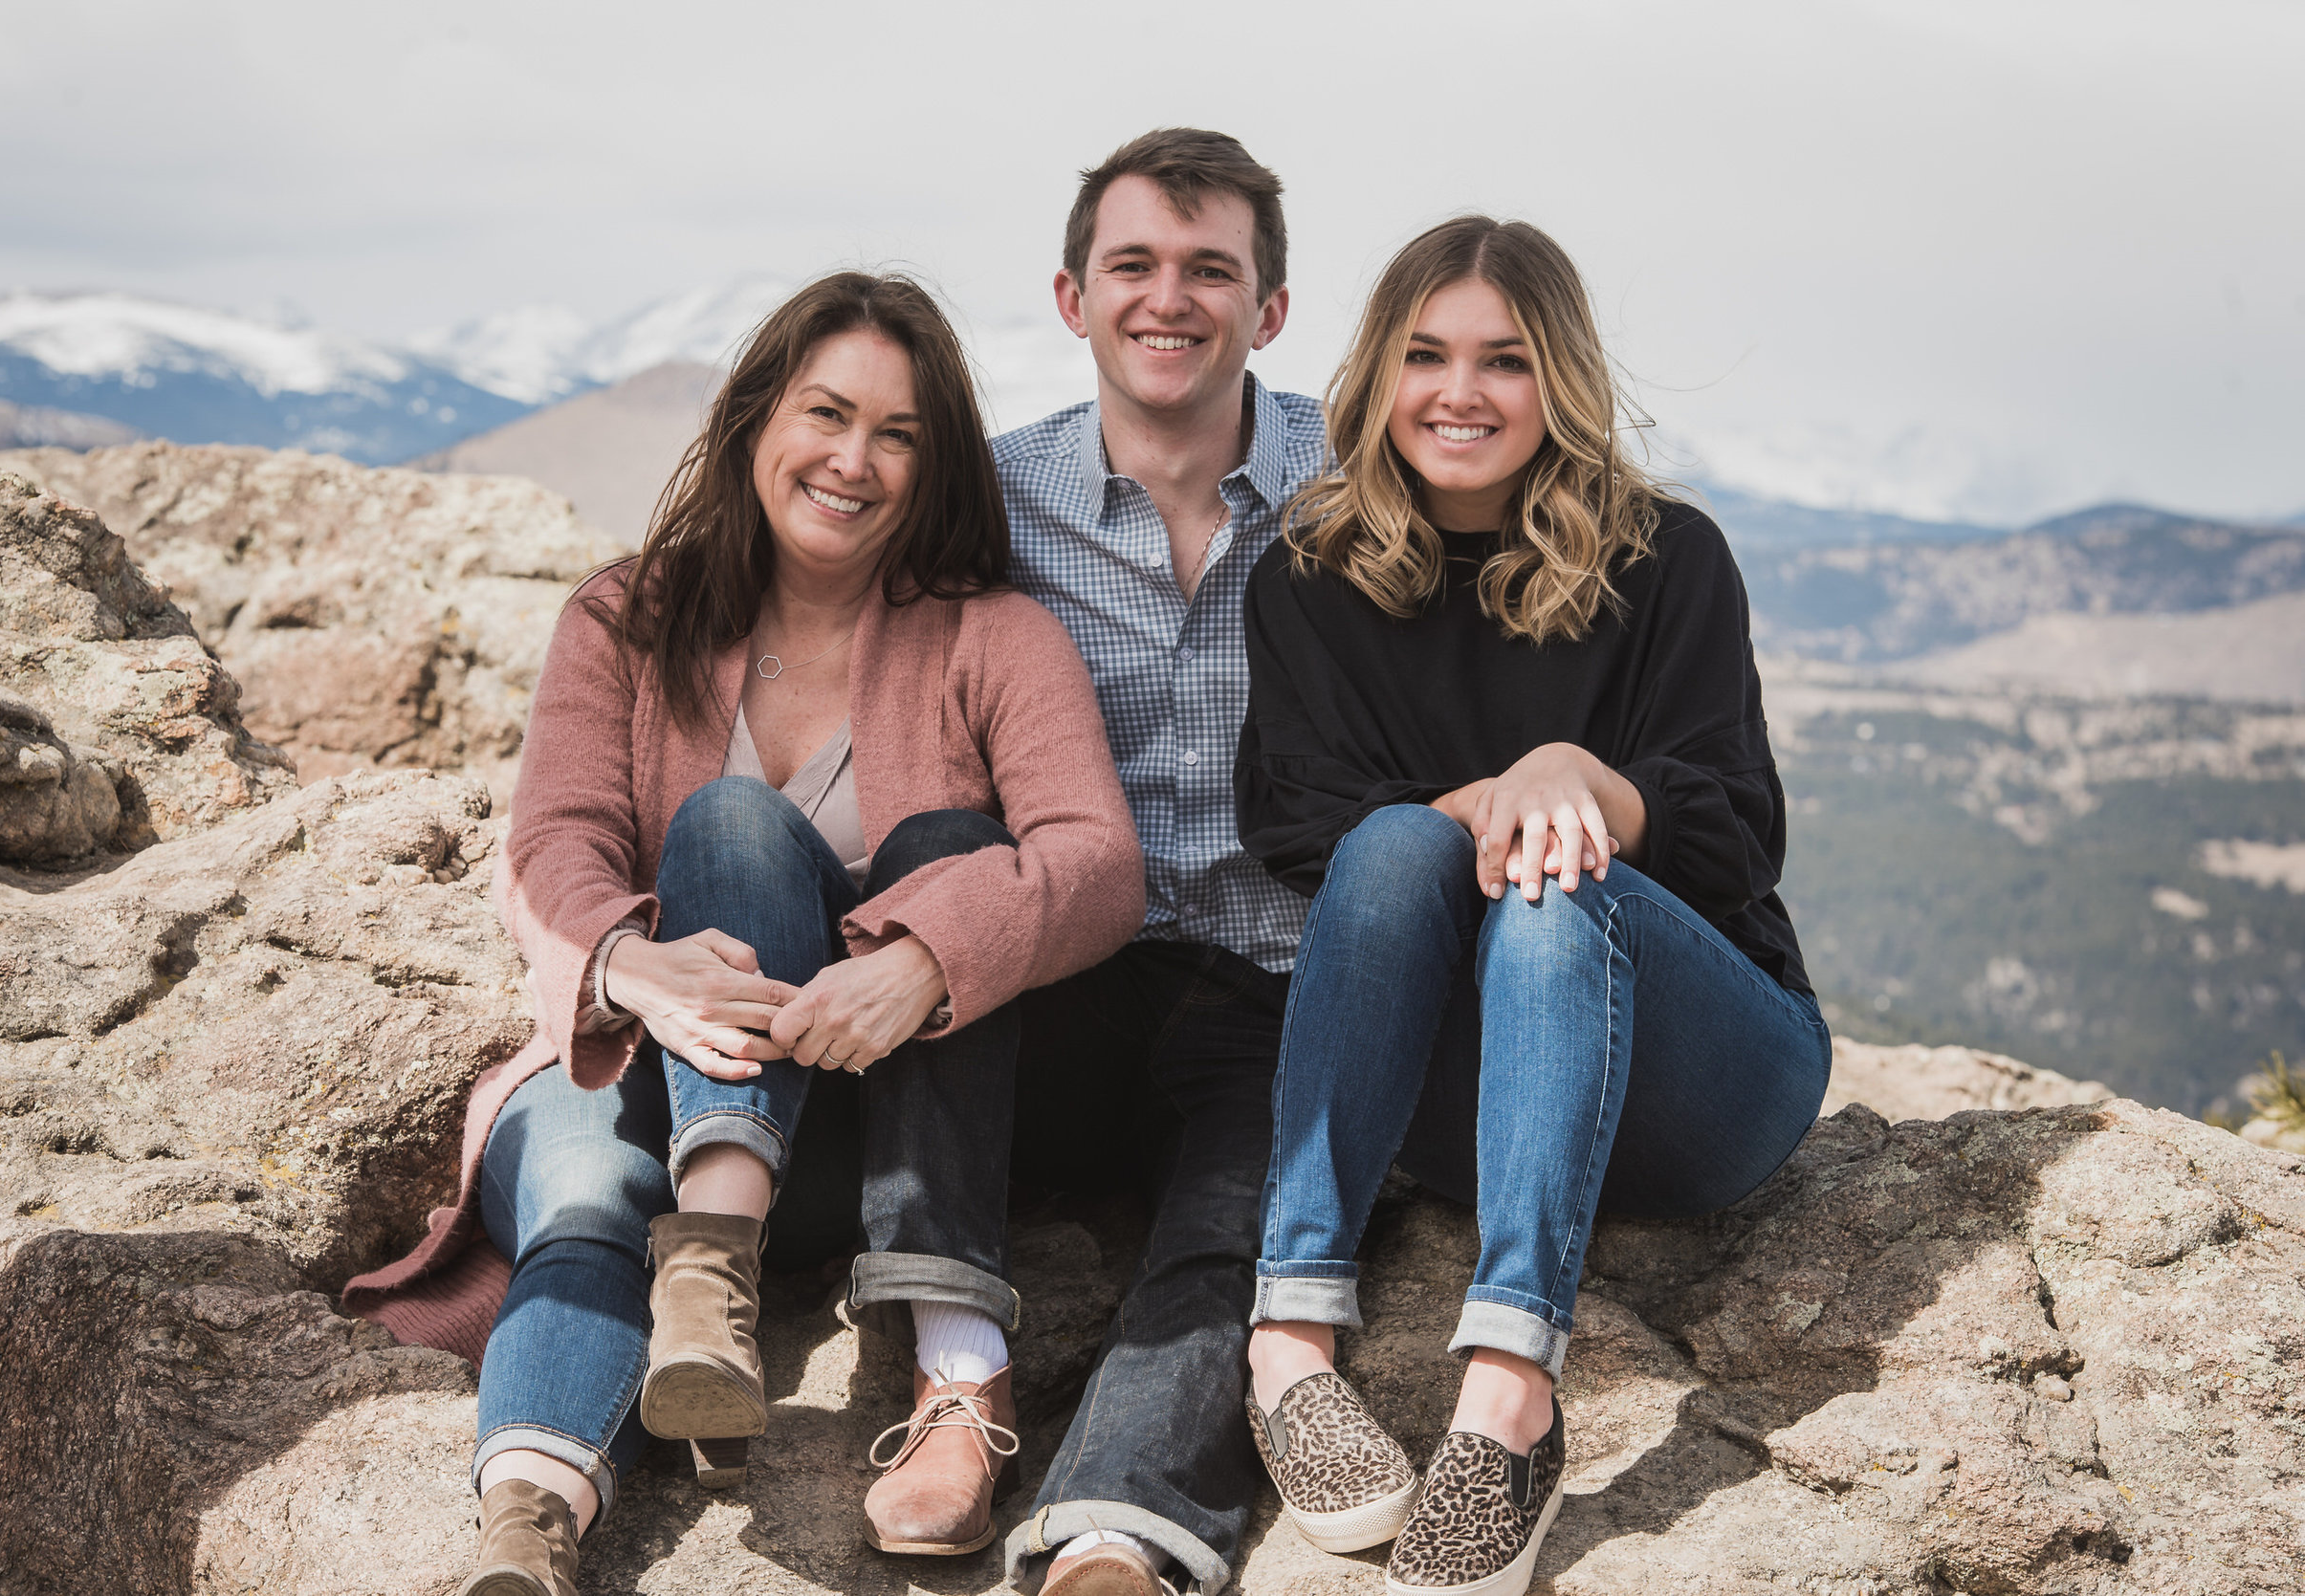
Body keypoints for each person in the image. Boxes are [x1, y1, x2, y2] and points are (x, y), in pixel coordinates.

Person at [341, 272, 1146, 1596]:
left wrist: (924, 955)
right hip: (643, 1069)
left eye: (899, 434)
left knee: (819, 843)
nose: (855, 458)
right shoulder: (627, 615)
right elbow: (552, 843)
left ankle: (733, 1280)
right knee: (597, 1170)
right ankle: (528, 1531)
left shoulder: (989, 636)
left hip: (857, 1114)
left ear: (934, 465)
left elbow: (1095, 860)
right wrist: (626, 961)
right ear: (755, 416)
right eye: (827, 412)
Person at [1234, 216, 1832, 1596]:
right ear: (1379, 372)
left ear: (1559, 377)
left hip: (1709, 1082)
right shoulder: (1310, 581)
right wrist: (1487, 806)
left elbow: (1741, 835)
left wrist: (1584, 788)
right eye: (1427, 354)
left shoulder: (1668, 559)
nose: (1462, 392)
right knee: (1390, 845)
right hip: (1467, 1099)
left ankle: (1510, 1400)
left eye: (1506, 359)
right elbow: (1297, 822)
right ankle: (1290, 1343)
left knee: (1561, 883)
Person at [989, 128, 1328, 1596]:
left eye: (1211, 270)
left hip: (1278, 984)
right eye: (1133, 264)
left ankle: (1113, 1541)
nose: (1167, 298)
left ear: (1270, 311)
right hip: (1067, 975)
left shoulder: (1362, 484)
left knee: (1231, 1230)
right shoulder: (990, 504)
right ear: (1074, 298)